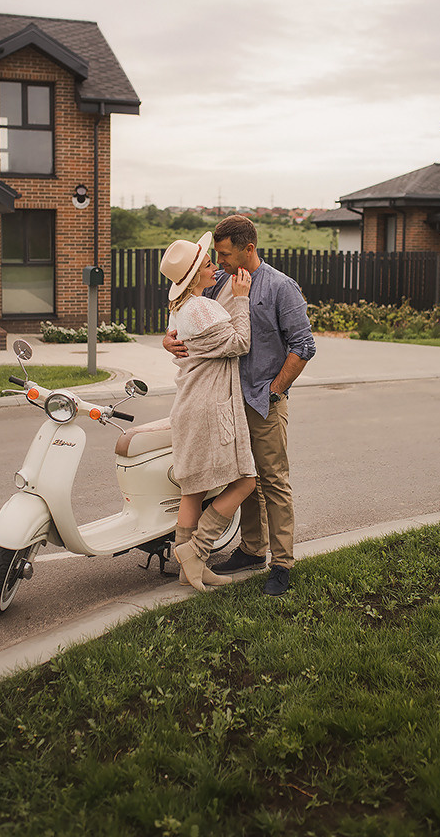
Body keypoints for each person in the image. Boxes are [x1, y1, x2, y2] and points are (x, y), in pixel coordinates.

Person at [164, 215, 316, 596]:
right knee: (243, 479)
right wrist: (169, 340)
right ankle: (252, 550)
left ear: (248, 249)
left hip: (264, 400)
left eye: (225, 255)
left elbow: (303, 346)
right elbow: (189, 316)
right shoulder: (217, 282)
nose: (220, 263)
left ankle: (282, 564)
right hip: (226, 403)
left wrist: (275, 391)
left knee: (272, 481)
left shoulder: (281, 287)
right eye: (216, 256)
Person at [160, 230, 257, 592]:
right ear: (194, 275)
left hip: (190, 404)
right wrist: (242, 299)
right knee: (246, 480)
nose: (214, 267)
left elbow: (182, 339)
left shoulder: (182, 309)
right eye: (206, 264)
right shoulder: (201, 309)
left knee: (193, 490)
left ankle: (190, 571)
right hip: (207, 406)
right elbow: (239, 343)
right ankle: (196, 551)